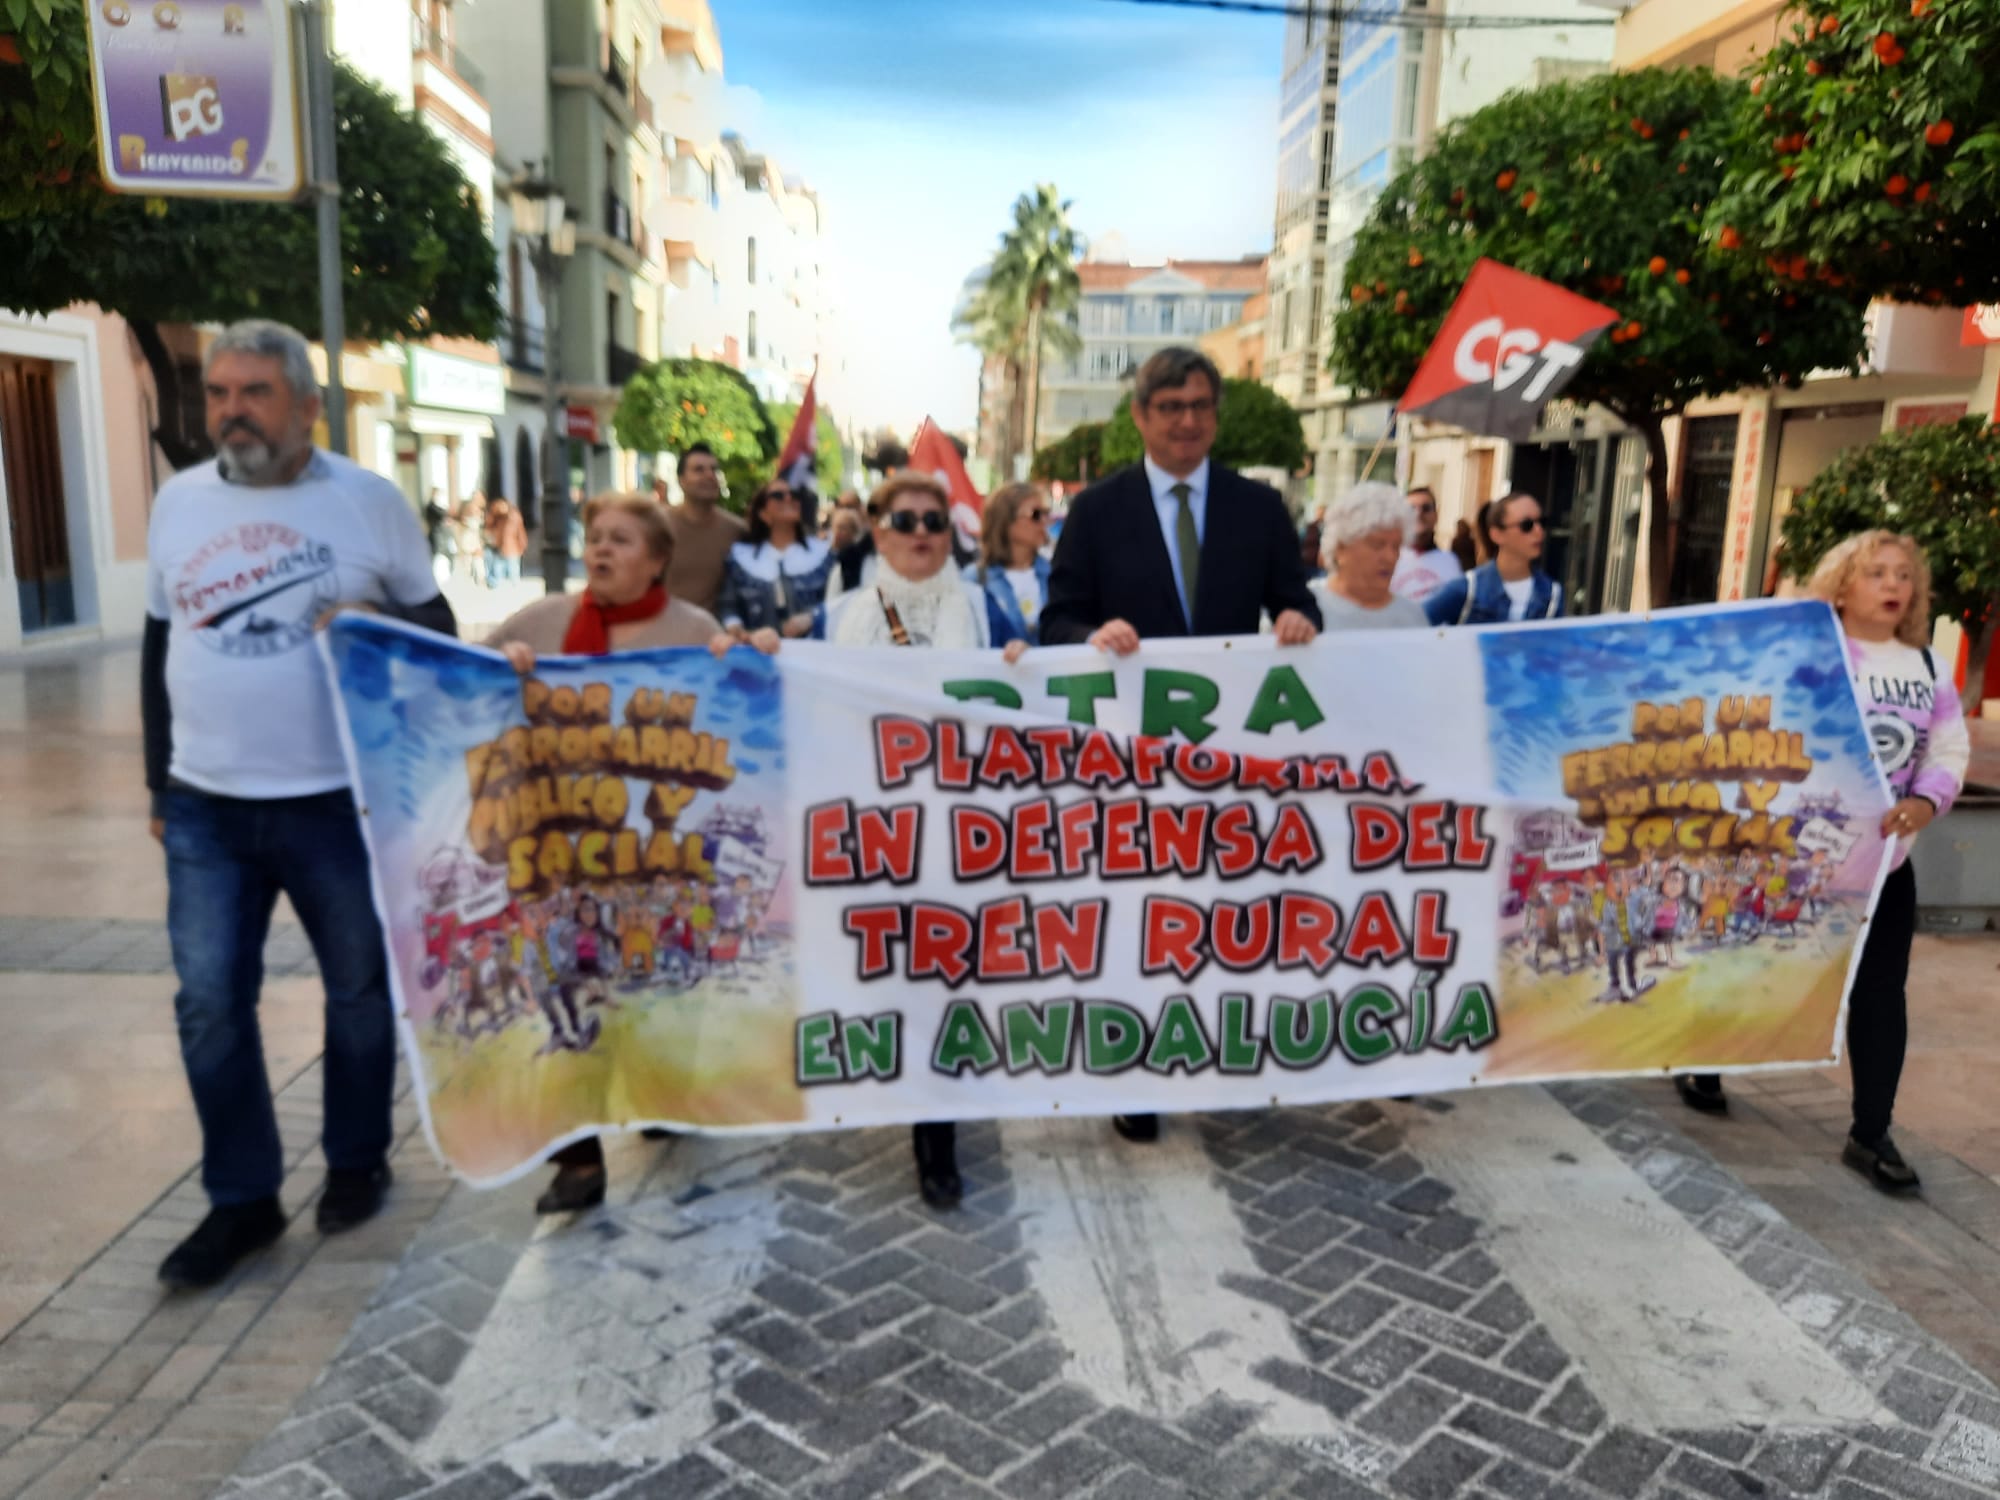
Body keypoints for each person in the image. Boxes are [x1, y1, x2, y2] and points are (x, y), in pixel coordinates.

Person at [143, 320, 458, 1289]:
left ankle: (356, 1161)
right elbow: (158, 642)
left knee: (358, 994)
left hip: (339, 803)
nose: (231, 411)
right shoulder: (177, 502)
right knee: (209, 1006)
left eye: (255, 393)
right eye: (219, 392)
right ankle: (242, 1200)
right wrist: (157, 782)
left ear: (310, 407)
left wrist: (379, 617)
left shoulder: (369, 503)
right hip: (205, 807)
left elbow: (438, 627)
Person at [1042, 346, 1321, 1144]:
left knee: (1214, 911)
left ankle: (1208, 1050)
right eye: (1170, 407)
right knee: (1137, 916)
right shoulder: (1098, 511)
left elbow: (1298, 603)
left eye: (1200, 406)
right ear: (1140, 416)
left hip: (1227, 758)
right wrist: (1091, 636)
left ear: (1216, 416)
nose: (1187, 421)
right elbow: (1056, 619)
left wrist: (1297, 619)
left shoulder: (1258, 508)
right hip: (1128, 761)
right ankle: (1134, 1075)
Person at [723, 472, 1026, 1207]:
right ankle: (880, 1085)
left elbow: (1041, 684)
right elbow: (791, 685)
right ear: (879, 533)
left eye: (933, 521)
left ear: (949, 535)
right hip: (868, 830)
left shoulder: (984, 608)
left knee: (942, 975)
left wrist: (1030, 658)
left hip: (958, 828)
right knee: (882, 971)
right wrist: (764, 647)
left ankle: (935, 1136)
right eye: (905, 520)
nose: (921, 533)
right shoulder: (841, 617)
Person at [1677, 532, 1968, 1192]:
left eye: (1903, 575)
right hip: (1789, 857)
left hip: (1883, 864)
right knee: (1752, 959)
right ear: (1841, 586)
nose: (1893, 585)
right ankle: (1705, 1062)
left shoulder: (1927, 667)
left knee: (1880, 992)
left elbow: (1947, 750)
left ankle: (1871, 1133)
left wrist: (1924, 803)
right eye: (1876, 573)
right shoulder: (1805, 657)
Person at [486, 494, 723, 1214]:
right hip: (562, 848)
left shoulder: (694, 630)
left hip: (656, 851)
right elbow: (458, 681)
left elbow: (740, 705)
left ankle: (661, 1094)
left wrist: (752, 655)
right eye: (595, 538)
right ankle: (578, 1162)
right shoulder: (540, 622)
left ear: (657, 560)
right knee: (567, 992)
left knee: (656, 987)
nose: (601, 550)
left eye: (621, 539)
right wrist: (500, 668)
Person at [715, 476, 834, 638]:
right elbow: (728, 606)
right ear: (763, 513)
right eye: (778, 495)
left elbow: (839, 601)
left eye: (794, 494)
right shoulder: (741, 558)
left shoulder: (823, 553)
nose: (789, 498)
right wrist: (738, 630)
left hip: (816, 648)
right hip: (758, 650)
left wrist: (813, 617)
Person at [1424, 492, 1564, 625]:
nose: (1539, 531)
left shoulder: (1552, 593)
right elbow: (1417, 622)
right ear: (1496, 534)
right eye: (1526, 525)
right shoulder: (1468, 588)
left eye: (1542, 523)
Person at [1308, 482, 1430, 631]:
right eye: (1377, 545)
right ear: (1340, 548)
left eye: (1396, 547)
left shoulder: (1412, 617)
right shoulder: (1305, 608)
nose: (1390, 558)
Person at [654, 444, 745, 614]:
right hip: (665, 626)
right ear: (681, 480)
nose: (709, 475)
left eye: (714, 470)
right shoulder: (658, 525)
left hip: (717, 629)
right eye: (699, 470)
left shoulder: (736, 530)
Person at [977, 482, 1053, 644]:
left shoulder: (1056, 574)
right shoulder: (975, 579)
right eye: (1036, 515)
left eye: (1046, 514)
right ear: (1006, 521)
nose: (1044, 521)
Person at [1389, 487, 1465, 607]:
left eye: (1426, 508)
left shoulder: (1450, 561)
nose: (1418, 513)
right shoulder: (1386, 561)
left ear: (1436, 515)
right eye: (1411, 509)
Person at [483, 497, 527, 588]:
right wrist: (493, 513)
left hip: (512, 549)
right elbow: (488, 527)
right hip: (499, 548)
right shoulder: (497, 517)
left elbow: (520, 532)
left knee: (513, 571)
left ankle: (513, 587)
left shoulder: (514, 516)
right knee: (498, 570)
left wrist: (522, 545)